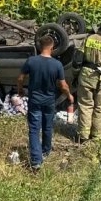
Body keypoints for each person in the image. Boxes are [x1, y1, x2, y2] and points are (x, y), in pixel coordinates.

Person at [16, 35, 73, 171]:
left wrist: (20, 90)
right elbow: (63, 85)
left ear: (39, 47)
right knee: (48, 127)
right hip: (49, 101)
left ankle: (36, 161)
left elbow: (20, 78)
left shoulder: (31, 61)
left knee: (34, 129)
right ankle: (45, 152)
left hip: (35, 101)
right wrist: (69, 96)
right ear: (52, 47)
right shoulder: (57, 64)